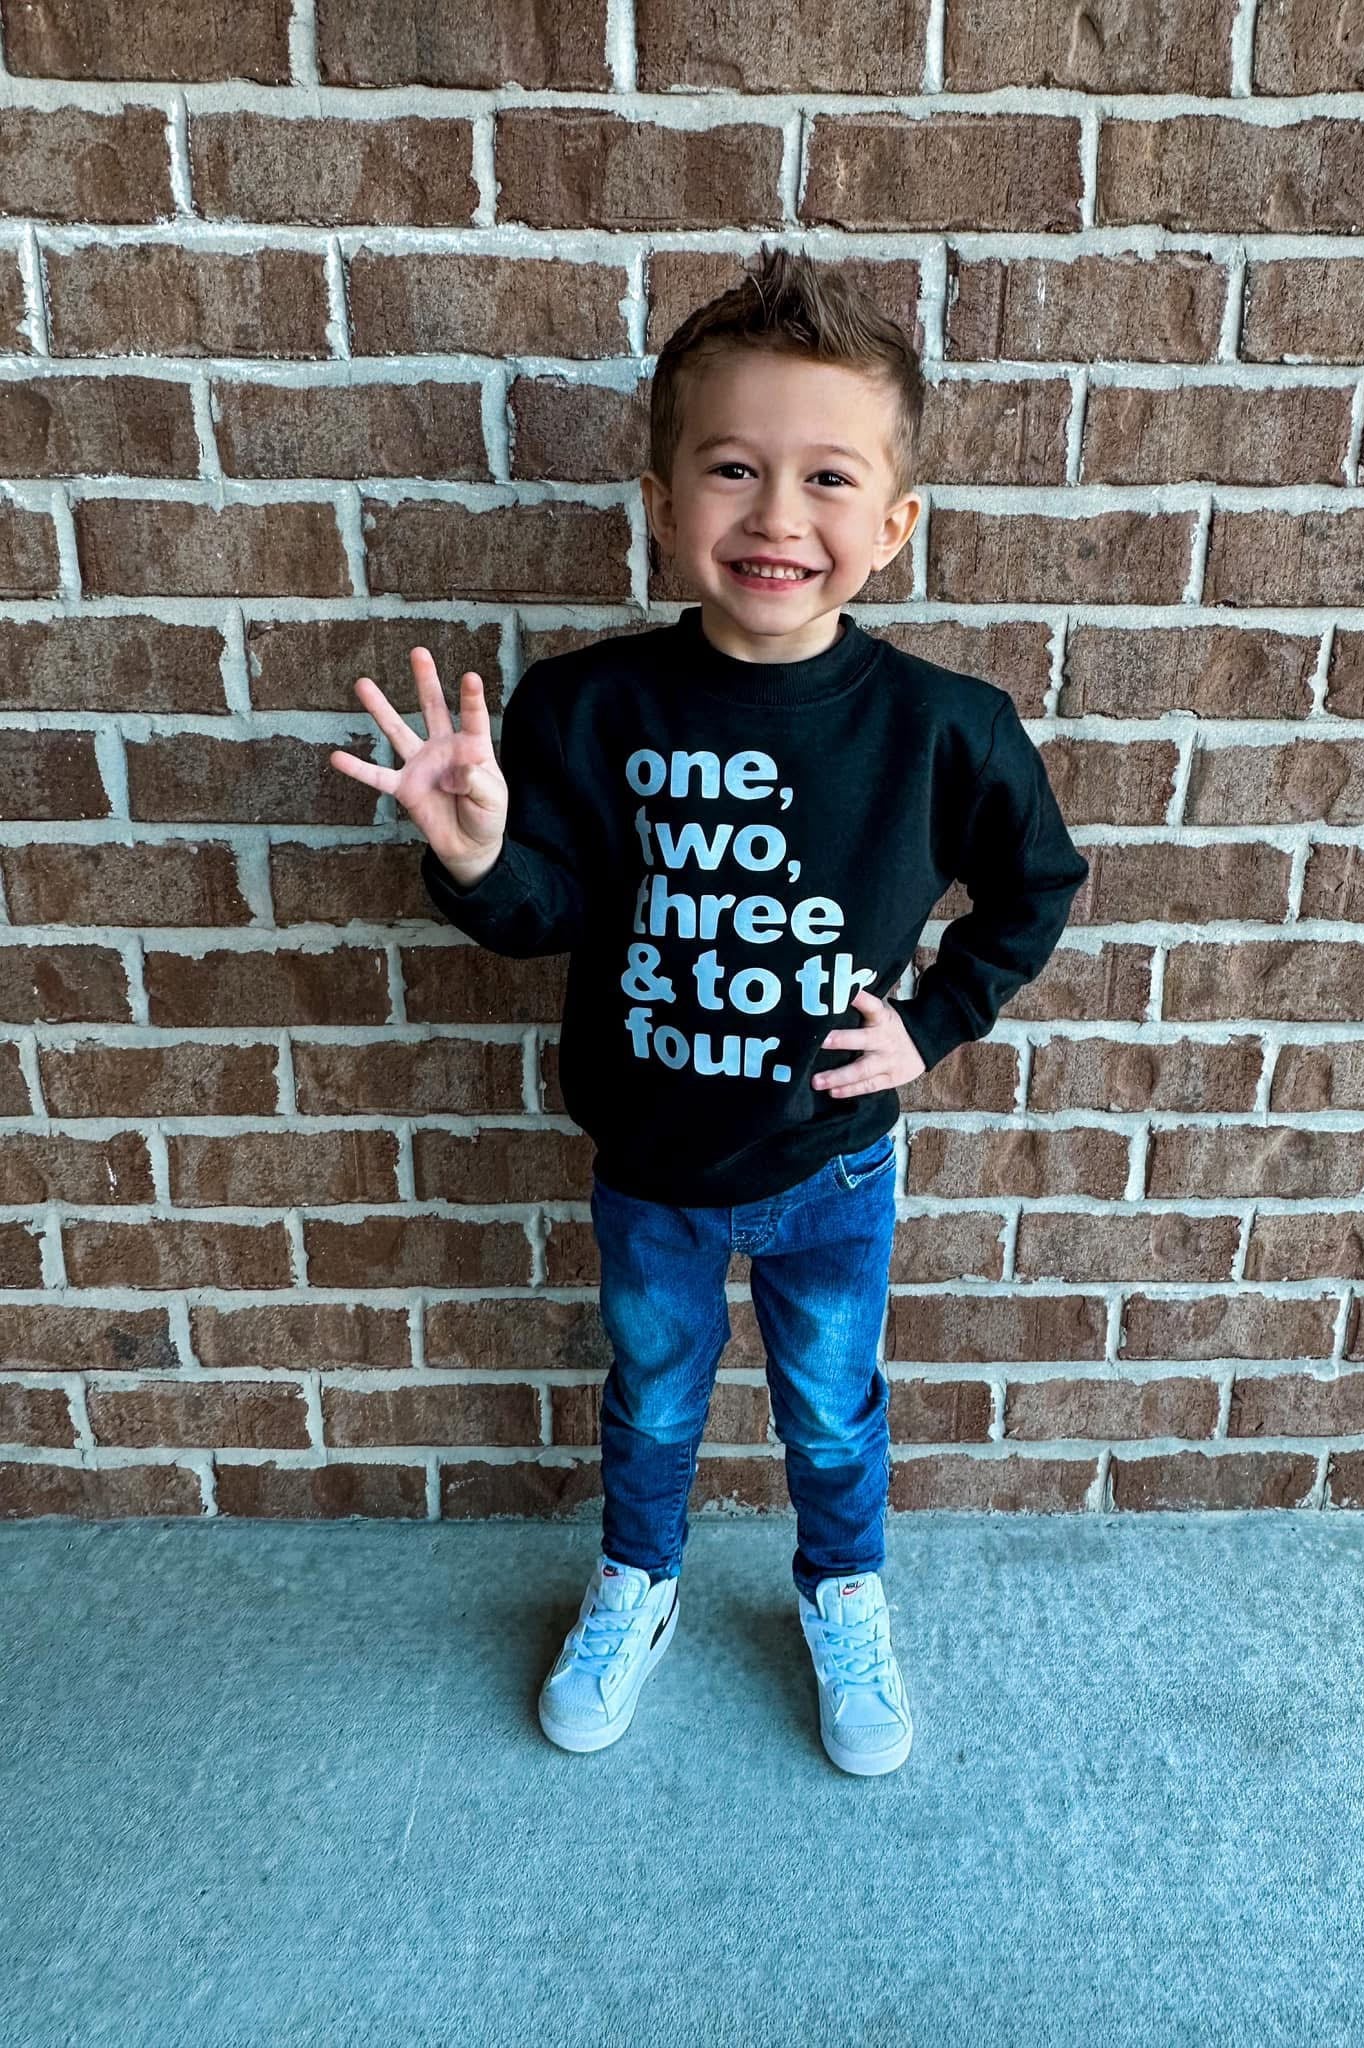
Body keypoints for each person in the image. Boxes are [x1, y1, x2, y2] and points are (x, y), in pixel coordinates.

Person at [329, 245, 1089, 1776]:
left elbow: (1036, 885)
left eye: (828, 478)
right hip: (653, 1174)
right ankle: (641, 1579)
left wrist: (935, 1019)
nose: (777, 516)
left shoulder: (946, 728)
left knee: (832, 1413)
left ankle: (843, 1588)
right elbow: (539, 912)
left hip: (834, 1166)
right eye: (734, 469)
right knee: (655, 1402)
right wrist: (476, 852)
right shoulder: (588, 707)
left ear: (895, 521)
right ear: (663, 502)